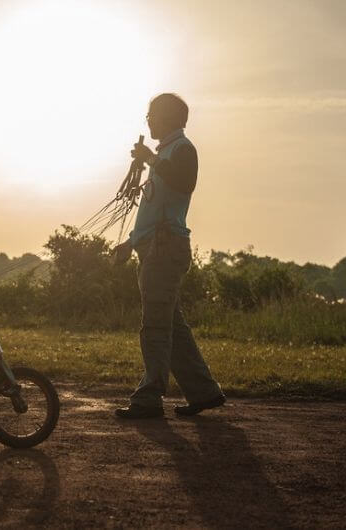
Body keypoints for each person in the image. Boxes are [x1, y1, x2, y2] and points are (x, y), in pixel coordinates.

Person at [113, 93, 225, 419]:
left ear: (169, 117)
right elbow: (154, 210)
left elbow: (184, 183)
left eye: (152, 115)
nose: (148, 121)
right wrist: (130, 243)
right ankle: (204, 392)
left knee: (156, 327)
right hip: (156, 246)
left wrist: (150, 159)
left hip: (164, 249)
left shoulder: (182, 150)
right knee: (172, 325)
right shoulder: (166, 152)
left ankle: (149, 398)